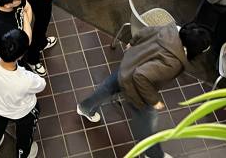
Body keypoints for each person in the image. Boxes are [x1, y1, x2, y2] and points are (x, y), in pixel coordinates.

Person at [76, 23, 212, 158]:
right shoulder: (174, 62)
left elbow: (145, 31)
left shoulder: (169, 29)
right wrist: (155, 101)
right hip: (135, 86)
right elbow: (141, 76)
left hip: (130, 63)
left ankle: (85, 107)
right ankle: (153, 154)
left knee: (108, 87)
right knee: (148, 122)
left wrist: (132, 42)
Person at [0, 30, 45, 158]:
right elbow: (41, 84)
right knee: (24, 136)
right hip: (22, 112)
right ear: (20, 57)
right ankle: (22, 154)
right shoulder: (25, 80)